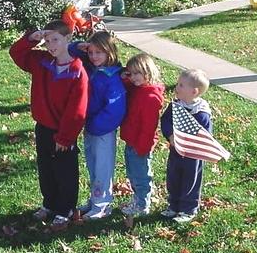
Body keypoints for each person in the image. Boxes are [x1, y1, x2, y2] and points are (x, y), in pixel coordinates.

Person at [9, 20, 89, 229]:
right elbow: (16, 53)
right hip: (43, 127)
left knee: (65, 172)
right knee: (46, 169)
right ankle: (50, 204)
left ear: (68, 38)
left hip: (63, 133)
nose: (51, 45)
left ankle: (65, 209)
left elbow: (77, 110)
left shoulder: (77, 71)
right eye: (47, 41)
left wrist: (65, 137)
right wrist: (31, 39)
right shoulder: (42, 61)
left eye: (55, 40)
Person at [68, 31, 126, 219]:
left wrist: (94, 125)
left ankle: (102, 205)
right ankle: (95, 199)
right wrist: (80, 46)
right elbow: (70, 50)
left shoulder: (112, 78)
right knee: (93, 165)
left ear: (110, 52)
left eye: (98, 52)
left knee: (102, 167)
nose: (93, 56)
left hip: (103, 131)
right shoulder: (93, 68)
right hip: (90, 128)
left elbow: (114, 110)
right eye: (91, 52)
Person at [160, 69, 212, 223]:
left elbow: (206, 135)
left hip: (192, 155)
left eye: (181, 85)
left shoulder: (201, 113)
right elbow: (166, 120)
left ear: (194, 92)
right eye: (178, 84)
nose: (177, 87)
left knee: (190, 180)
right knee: (173, 177)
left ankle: (188, 208)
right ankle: (173, 205)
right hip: (176, 151)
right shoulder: (175, 105)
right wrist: (170, 135)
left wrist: (193, 143)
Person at [119, 53, 165, 217]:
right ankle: (137, 199)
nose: (134, 78)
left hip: (140, 145)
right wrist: (125, 76)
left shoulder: (151, 97)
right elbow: (128, 85)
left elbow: (149, 127)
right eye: (131, 74)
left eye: (138, 73)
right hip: (131, 141)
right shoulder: (138, 89)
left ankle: (142, 205)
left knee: (141, 177)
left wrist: (143, 147)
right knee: (133, 174)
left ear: (148, 72)